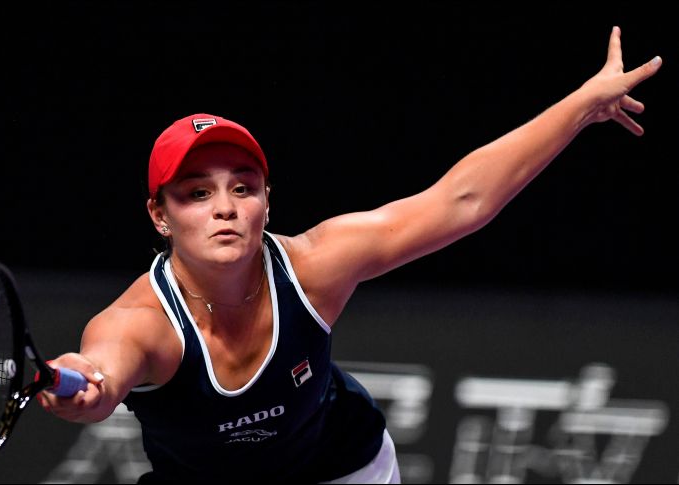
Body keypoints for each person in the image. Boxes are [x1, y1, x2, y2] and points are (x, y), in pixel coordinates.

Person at [38, 27, 661, 483]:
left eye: (242, 188)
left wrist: (583, 106)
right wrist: (89, 390)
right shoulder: (141, 325)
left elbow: (462, 201)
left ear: (266, 202)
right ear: (160, 215)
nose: (224, 207)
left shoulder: (314, 267)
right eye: (197, 193)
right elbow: (101, 371)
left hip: (345, 470)